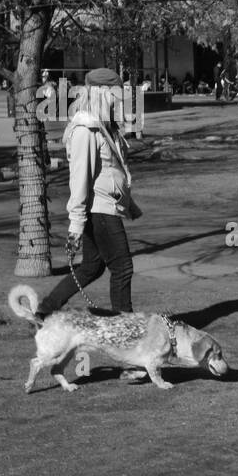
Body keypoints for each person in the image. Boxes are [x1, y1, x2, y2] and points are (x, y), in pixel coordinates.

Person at [34, 68, 140, 322]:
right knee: (123, 269)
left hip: (106, 207)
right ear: (102, 93)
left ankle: (45, 310)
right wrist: (77, 225)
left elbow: (112, 171)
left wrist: (129, 203)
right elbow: (79, 180)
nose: (121, 99)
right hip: (98, 210)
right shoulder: (86, 130)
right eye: (116, 93)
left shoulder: (103, 126)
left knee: (91, 268)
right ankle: (127, 334)